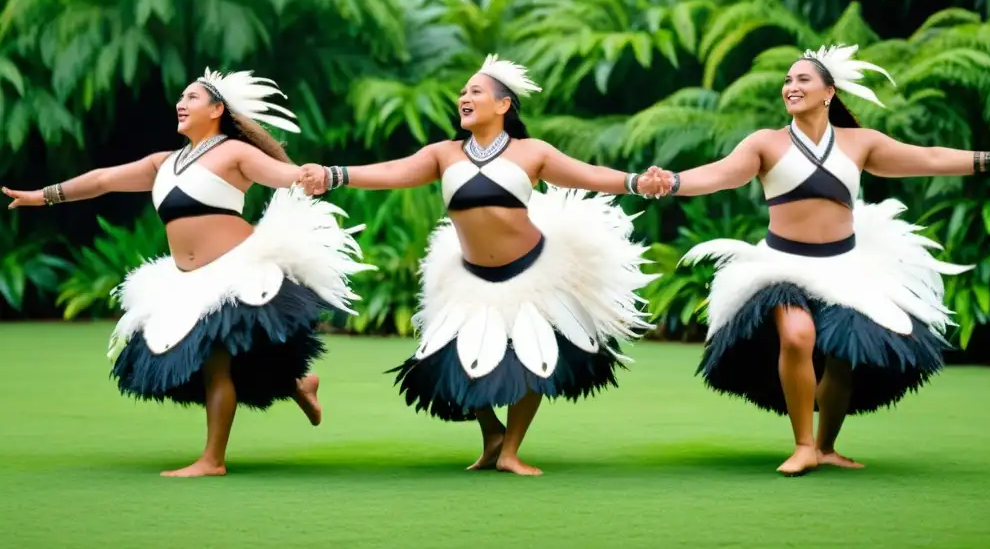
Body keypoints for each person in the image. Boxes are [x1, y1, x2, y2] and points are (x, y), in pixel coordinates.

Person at [656, 44, 990, 475]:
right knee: (796, 335)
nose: (791, 86)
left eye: (802, 79)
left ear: (828, 92)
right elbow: (718, 174)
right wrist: (673, 181)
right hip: (782, 264)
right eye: (787, 80)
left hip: (846, 265)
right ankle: (803, 445)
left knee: (842, 353)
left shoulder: (860, 143)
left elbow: (927, 158)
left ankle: (827, 446)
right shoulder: (766, 144)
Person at [299, 55, 664, 476]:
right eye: (462, 93)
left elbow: (588, 175)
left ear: (503, 105)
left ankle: (511, 449)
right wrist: (335, 175)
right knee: (453, 362)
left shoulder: (532, 152)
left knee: (533, 358)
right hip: (470, 278)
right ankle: (492, 433)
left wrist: (640, 182)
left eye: (475, 91)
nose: (464, 98)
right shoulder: (444, 154)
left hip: (534, 271)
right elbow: (392, 171)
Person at [3, 68, 372, 478]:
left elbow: (284, 175)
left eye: (192, 97)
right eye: (181, 97)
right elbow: (104, 181)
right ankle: (299, 386)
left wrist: (310, 176)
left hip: (235, 272)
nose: (181, 103)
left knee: (217, 360)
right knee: (222, 357)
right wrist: (43, 196)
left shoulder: (234, 152)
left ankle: (212, 460)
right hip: (184, 281)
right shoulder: (164, 163)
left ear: (217, 109)